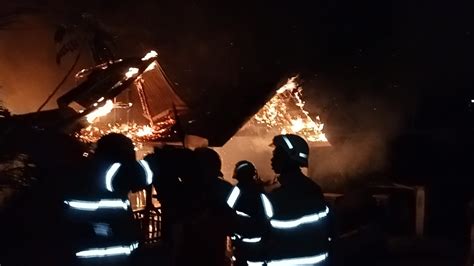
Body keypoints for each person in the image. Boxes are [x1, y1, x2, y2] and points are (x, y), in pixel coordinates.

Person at [63, 133, 150, 265]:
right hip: (106, 255)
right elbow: (140, 176)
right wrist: (157, 160)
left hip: (89, 250)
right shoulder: (107, 171)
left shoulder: (85, 169)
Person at [248, 134, 331, 266]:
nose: (272, 159)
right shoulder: (314, 189)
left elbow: (258, 234)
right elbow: (328, 229)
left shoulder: (275, 194)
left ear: (288, 158)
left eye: (276, 154)